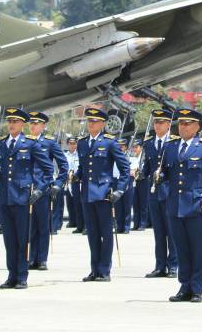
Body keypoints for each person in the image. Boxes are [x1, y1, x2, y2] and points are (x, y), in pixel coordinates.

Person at [159, 108, 202, 303]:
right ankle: (184, 287)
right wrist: (160, 177)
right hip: (174, 206)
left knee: (197, 249)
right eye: (181, 123)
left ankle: (196, 288)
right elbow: (166, 171)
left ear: (197, 126)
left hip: (197, 205)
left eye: (188, 123)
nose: (183, 127)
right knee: (181, 249)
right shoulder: (171, 146)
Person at [0, 108, 54, 289]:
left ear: (22, 124)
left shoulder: (30, 144)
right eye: (10, 121)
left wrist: (39, 189)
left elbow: (48, 170)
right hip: (5, 197)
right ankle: (11, 275)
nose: (11, 125)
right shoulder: (1, 144)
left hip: (22, 197)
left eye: (15, 122)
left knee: (22, 239)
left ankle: (21, 276)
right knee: (9, 240)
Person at [76, 108, 130, 282]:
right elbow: (83, 168)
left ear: (102, 124)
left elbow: (124, 168)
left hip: (104, 193)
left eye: (94, 121)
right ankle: (94, 269)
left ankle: (104, 270)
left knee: (106, 234)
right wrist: (76, 175)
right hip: (87, 194)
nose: (91, 124)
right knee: (92, 233)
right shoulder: (82, 143)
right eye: (89, 121)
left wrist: (120, 189)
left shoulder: (109, 142)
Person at [26, 111, 68, 270]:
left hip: (43, 189)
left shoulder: (49, 143)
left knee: (43, 225)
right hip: (26, 188)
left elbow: (63, 165)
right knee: (29, 225)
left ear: (43, 126)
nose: (33, 126)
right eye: (31, 123)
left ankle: (41, 258)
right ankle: (30, 257)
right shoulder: (25, 141)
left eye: (36, 124)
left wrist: (58, 183)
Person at [143, 109, 178, 278]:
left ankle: (173, 265)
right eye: (156, 122)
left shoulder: (174, 143)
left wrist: (163, 175)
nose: (157, 125)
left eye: (161, 122)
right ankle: (160, 265)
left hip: (169, 191)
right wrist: (141, 173)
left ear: (168, 124)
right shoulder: (149, 143)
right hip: (154, 192)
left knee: (171, 231)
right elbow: (148, 166)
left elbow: (176, 169)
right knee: (158, 231)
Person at [63, 136, 83, 233]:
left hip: (77, 181)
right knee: (70, 203)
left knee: (78, 204)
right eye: (70, 144)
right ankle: (73, 221)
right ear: (67, 144)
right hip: (67, 181)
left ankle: (80, 225)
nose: (72, 145)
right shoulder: (64, 155)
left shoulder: (79, 155)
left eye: (74, 143)